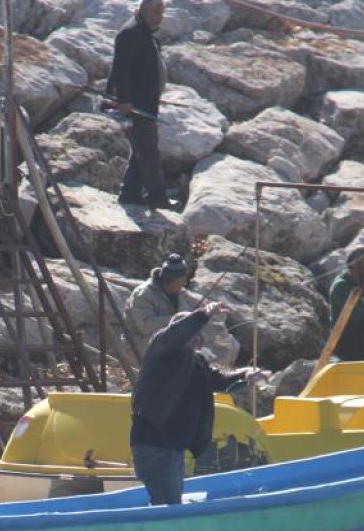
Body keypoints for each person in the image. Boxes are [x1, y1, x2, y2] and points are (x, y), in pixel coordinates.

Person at [130, 303, 263, 505]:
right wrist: (204, 314)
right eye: (191, 334)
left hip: (174, 448)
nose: (195, 339)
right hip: (154, 446)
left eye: (198, 336)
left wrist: (245, 377)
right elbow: (177, 334)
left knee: (170, 502)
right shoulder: (161, 350)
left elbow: (219, 381)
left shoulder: (196, 362)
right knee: (167, 504)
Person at [106, 0, 173, 210]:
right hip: (135, 105)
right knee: (149, 150)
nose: (160, 18)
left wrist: (154, 94)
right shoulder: (130, 33)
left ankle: (130, 193)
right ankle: (157, 197)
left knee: (140, 149)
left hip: (146, 101)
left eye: (162, 13)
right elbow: (121, 70)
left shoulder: (144, 32)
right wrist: (124, 100)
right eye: (157, 13)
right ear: (145, 10)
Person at [126, 253, 238, 364]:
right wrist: (180, 320)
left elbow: (196, 305)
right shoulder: (143, 294)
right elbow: (146, 326)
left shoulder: (179, 292)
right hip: (137, 344)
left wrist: (210, 310)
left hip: (165, 340)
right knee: (183, 352)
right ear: (170, 280)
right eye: (181, 280)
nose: (184, 283)